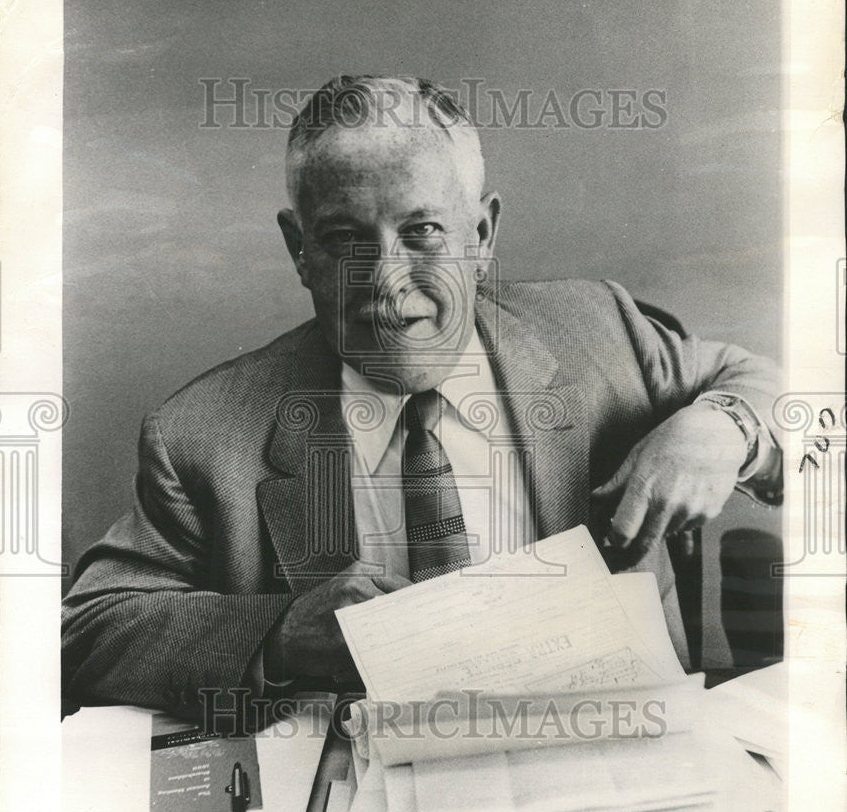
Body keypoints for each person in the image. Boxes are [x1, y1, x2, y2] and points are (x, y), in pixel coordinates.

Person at [61, 75, 782, 723]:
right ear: (299, 251)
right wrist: (280, 636)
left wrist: (724, 427)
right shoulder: (203, 434)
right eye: (345, 239)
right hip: (356, 802)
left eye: (423, 231)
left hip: (619, 765)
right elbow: (91, 629)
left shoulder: (601, 333)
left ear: (482, 234)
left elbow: (800, 399)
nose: (387, 281)